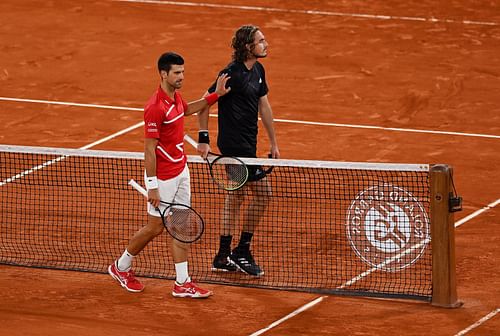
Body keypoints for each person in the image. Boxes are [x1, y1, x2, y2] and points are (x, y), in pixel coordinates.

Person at [108, 52, 230, 298]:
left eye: (182, 72)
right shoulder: (155, 107)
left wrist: (215, 96)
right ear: (163, 74)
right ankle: (121, 267)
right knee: (155, 228)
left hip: (181, 171)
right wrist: (152, 186)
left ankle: (182, 282)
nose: (181, 76)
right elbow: (149, 149)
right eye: (176, 72)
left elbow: (189, 109)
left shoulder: (176, 99)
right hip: (162, 177)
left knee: (181, 225)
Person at [197, 25, 280, 277]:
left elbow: (264, 107)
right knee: (261, 195)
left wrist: (274, 143)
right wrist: (203, 138)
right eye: (261, 41)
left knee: (237, 197)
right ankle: (239, 251)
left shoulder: (258, 70)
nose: (266, 44)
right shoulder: (230, 74)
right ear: (247, 46)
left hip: (249, 146)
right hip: (234, 147)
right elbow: (204, 102)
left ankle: (224, 255)